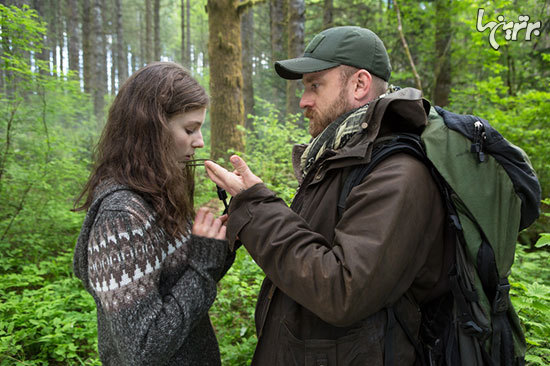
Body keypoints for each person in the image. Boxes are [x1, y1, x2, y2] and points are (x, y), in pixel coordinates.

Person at [205, 26, 452, 365]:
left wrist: (258, 207)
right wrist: (257, 200)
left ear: (360, 84)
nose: (303, 101)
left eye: (315, 85)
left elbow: (343, 291)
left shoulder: (399, 173)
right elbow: (311, 249)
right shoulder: (340, 159)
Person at [73, 61, 234, 366]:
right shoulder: (121, 218)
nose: (199, 142)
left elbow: (179, 283)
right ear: (152, 129)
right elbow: (143, 349)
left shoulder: (156, 192)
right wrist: (203, 263)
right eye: (190, 129)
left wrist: (223, 242)